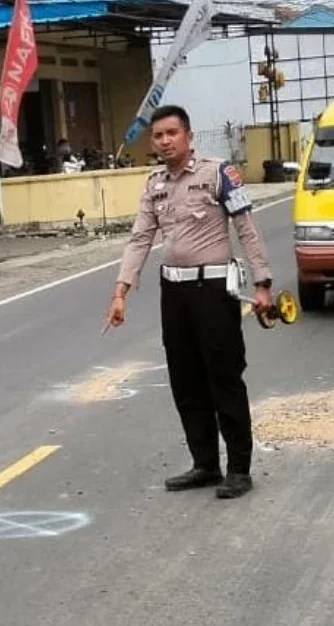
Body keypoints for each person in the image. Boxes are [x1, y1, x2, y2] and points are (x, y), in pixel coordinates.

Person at [104, 104, 273, 500]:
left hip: (213, 291)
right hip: (174, 293)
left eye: (171, 134)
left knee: (224, 379)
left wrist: (263, 283)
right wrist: (120, 292)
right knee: (186, 381)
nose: (164, 141)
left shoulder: (218, 174)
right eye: (158, 136)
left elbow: (246, 229)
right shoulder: (154, 184)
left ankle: (239, 469)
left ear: (189, 136)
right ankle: (205, 464)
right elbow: (140, 239)